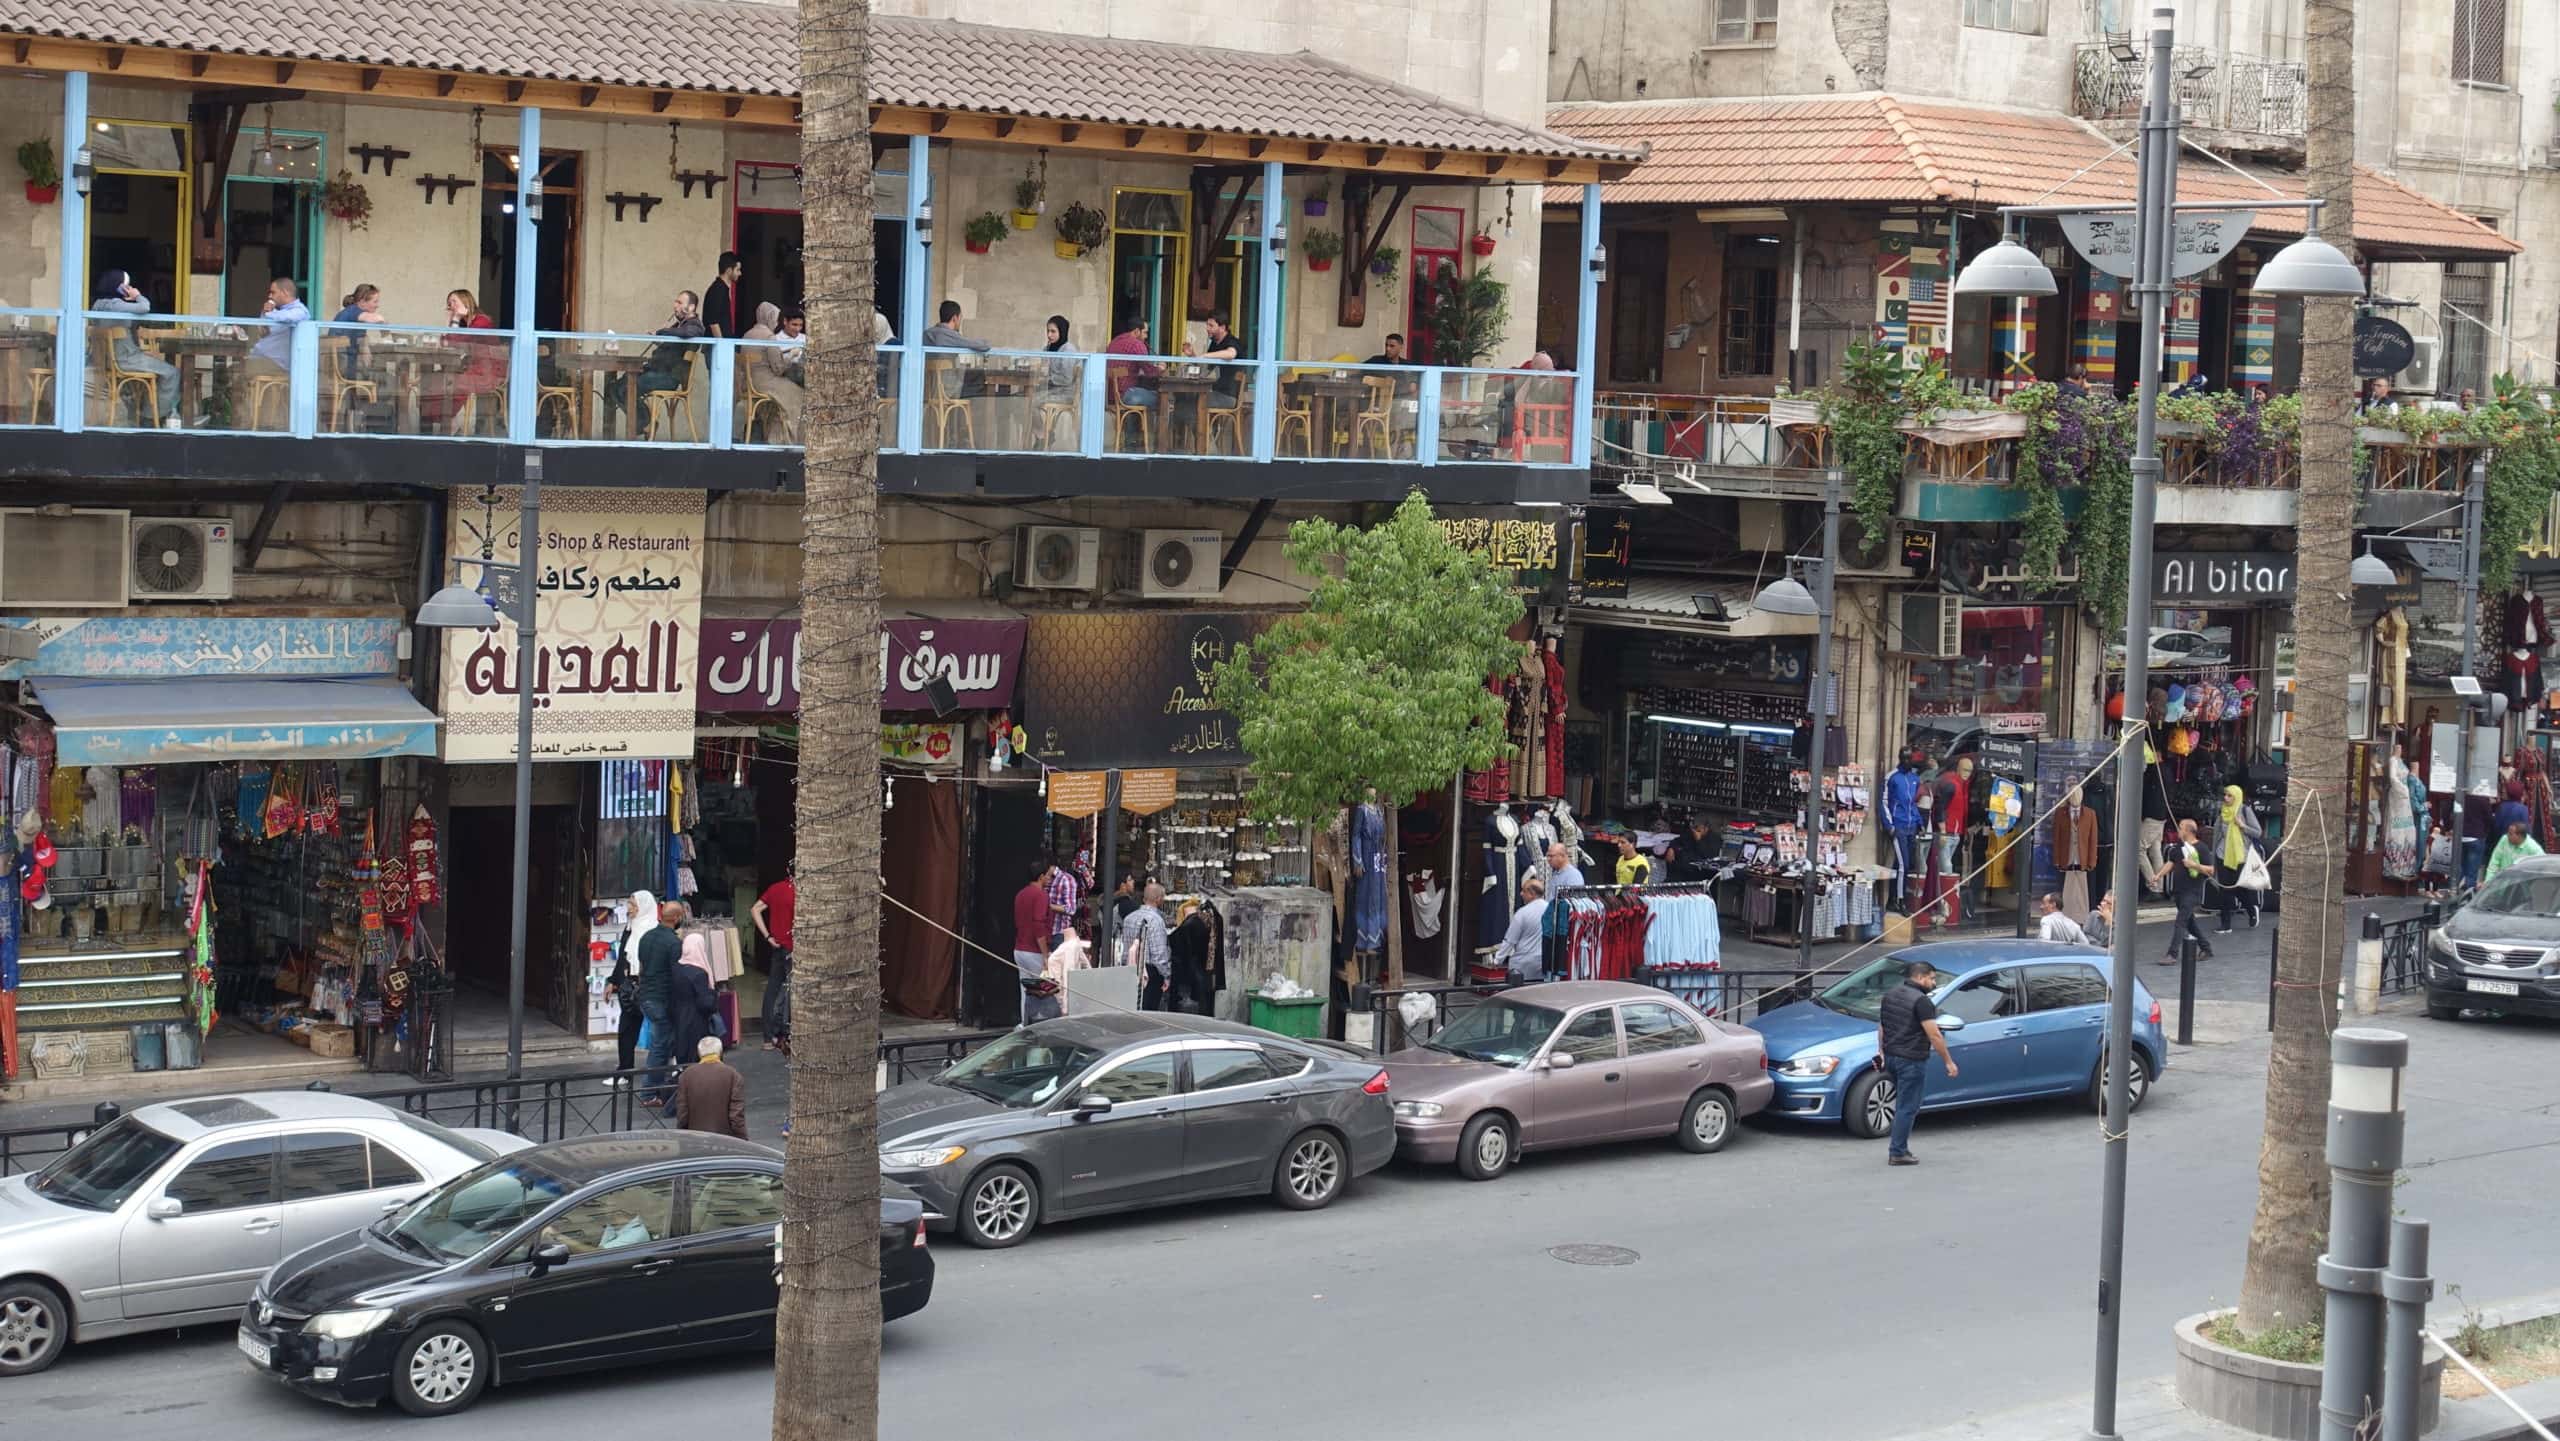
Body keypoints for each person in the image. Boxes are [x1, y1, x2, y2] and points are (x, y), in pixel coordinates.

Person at [1875, 959, 1957, 1166]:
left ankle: (1898, 1148)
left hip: (1892, 1056)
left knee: (1902, 1103)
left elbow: (1882, 1026)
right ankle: (1898, 1152)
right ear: (1920, 977)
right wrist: (1948, 1061)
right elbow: (1934, 1035)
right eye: (1931, 978)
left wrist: (1881, 1051)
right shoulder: (1922, 1002)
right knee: (1907, 1106)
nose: (1933, 982)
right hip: (1911, 1059)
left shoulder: (1891, 994)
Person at [92, 269, 180, 426]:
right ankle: (152, 418)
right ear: (120, 287)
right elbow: (145, 307)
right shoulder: (116, 305)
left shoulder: (97, 305)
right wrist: (136, 295)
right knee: (172, 372)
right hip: (126, 360)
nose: (129, 287)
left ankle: (143, 414)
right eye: (126, 285)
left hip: (106, 360)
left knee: (154, 375)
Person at [429, 289, 505, 432]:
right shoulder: (465, 323)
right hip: (472, 368)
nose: (451, 306)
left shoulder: (482, 322)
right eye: (449, 303)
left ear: (466, 302)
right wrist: (449, 322)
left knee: (453, 382)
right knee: (435, 378)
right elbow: (446, 342)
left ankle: (449, 424)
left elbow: (454, 342)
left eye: (454, 302)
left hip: (489, 371)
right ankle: (448, 423)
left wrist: (455, 319)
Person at [630, 290, 706, 430]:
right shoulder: (678, 325)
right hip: (658, 372)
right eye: (675, 302)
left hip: (669, 378)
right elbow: (672, 346)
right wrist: (659, 340)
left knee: (629, 385)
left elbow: (688, 333)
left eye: (679, 302)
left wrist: (662, 331)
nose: (675, 306)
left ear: (691, 308)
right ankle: (646, 422)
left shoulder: (694, 325)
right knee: (618, 386)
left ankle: (645, 422)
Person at [607, 888, 658, 1081]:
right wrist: (614, 981)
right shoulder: (630, 927)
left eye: (632, 905)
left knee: (658, 1030)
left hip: (649, 986)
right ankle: (625, 1071)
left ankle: (664, 1070)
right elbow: (624, 957)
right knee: (627, 1029)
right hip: (630, 986)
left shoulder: (653, 930)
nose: (629, 908)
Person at [637, 899, 683, 1104]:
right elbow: (676, 975)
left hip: (645, 996)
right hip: (660, 999)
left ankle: (661, 1086)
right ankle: (649, 1093)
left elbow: (641, 967)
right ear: (677, 918)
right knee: (660, 1046)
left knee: (661, 1043)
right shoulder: (673, 943)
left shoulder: (646, 937)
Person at [740, 300, 805, 440]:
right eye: (775, 319)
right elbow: (778, 368)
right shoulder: (769, 336)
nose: (776, 323)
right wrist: (792, 354)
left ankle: (774, 436)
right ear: (769, 317)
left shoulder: (748, 334)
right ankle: (791, 439)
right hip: (766, 383)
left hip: (748, 382)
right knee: (799, 393)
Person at [1012, 859, 1065, 1023]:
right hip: (1034, 950)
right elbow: (1038, 925)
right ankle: (1041, 1024)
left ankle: (1025, 1023)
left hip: (1019, 949)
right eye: (1048, 876)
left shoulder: (1020, 894)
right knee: (1046, 991)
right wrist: (1045, 955)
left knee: (1025, 991)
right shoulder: (1041, 896)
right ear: (1041, 877)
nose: (1050, 879)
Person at [2156, 818, 2214, 964]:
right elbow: (2170, 863)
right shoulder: (2178, 847)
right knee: (2189, 923)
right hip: (2179, 891)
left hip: (2192, 891)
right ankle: (2206, 948)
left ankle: (2172, 954)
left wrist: (2194, 865)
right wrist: (2158, 875)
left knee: (2180, 922)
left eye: (2181, 828)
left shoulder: (2201, 848)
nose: (2178, 830)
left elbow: (2211, 870)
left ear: (2188, 831)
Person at [749, 868, 795, 1051]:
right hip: (794, 947)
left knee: (772, 991)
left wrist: (768, 936)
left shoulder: (776, 888)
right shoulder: (804, 893)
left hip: (777, 946)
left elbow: (755, 909)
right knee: (793, 992)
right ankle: (785, 1033)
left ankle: (768, 1038)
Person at [2209, 784, 2265, 932]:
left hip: (2241, 856)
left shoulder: (2245, 811)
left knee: (2238, 888)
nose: (2226, 798)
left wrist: (2242, 826)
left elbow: (2258, 832)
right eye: (2225, 795)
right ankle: (2225, 924)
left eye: (2229, 796)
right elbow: (2217, 836)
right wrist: (2213, 858)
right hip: (2223, 854)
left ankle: (2251, 910)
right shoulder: (2223, 813)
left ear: (2236, 797)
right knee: (2224, 889)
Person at [670, 929, 723, 1079]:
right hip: (695, 1019)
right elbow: (705, 1003)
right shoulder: (699, 973)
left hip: (679, 1016)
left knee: (683, 1051)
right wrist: (713, 996)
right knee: (696, 1053)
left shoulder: (676, 968)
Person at [674, 1035, 749, 1139]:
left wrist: (683, 1137)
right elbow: (736, 1116)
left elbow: (682, 1115)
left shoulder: (686, 1076)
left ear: (699, 1053)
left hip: (696, 1140)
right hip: (726, 1140)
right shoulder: (732, 1075)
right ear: (720, 1052)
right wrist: (743, 1139)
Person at [1127, 880, 1174, 1010]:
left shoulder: (1129, 918)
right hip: (1151, 973)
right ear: (1159, 899)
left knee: (1132, 1009)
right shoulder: (1156, 921)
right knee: (1148, 1012)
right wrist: (1166, 976)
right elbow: (1159, 955)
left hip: (1130, 969)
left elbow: (1126, 949)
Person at [1492, 875, 1549, 982]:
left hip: (1522, 964)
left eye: (1524, 891)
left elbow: (1510, 941)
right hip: (1543, 963)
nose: (1521, 894)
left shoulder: (1522, 913)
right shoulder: (1551, 909)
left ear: (1532, 894)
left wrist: (1497, 961)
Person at [1187, 311, 1243, 415]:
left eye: (1211, 325)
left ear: (1222, 327)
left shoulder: (1232, 341)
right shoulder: (1214, 343)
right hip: (1216, 392)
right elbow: (1206, 370)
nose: (1207, 328)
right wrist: (1193, 356)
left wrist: (1205, 355)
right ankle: (1190, 430)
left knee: (1192, 402)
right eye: (1207, 325)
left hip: (1228, 396)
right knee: (1186, 398)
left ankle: (1202, 431)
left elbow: (1231, 354)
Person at [1168, 899, 1217, 1013]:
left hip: (1190, 977)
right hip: (1205, 975)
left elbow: (1175, 947)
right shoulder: (1206, 924)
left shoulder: (1186, 927)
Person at [331, 283, 384, 382]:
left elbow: (361, 337)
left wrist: (365, 347)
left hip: (345, 363)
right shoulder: (353, 311)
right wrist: (383, 322)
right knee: (381, 377)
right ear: (362, 302)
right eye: (375, 301)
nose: (377, 305)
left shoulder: (356, 315)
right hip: (343, 365)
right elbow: (375, 318)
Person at [1108, 314, 1161, 411]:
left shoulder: (1115, 341)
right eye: (1145, 333)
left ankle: (1133, 425)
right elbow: (1149, 371)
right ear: (1137, 331)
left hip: (1110, 395)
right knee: (1162, 398)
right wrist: (1160, 369)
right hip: (1126, 395)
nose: (1146, 336)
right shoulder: (1137, 344)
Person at [2485, 818, 2543, 888]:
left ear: (2519, 836)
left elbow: (2542, 866)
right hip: (2501, 884)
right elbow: (2494, 862)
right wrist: (2487, 882)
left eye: (2510, 834)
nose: (2507, 835)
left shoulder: (2533, 848)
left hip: (2521, 887)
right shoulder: (2504, 839)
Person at [1043, 853, 1081, 950]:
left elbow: (1071, 909)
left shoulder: (1066, 879)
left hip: (1059, 933)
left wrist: (1049, 906)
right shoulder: (1043, 878)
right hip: (1043, 932)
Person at [922, 299, 990, 353]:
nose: (960, 322)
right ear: (954, 318)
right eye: (960, 318)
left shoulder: (926, 333)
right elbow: (983, 346)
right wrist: (986, 342)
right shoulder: (949, 335)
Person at [702, 250, 743, 338]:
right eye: (738, 270)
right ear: (728, 270)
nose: (740, 273)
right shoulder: (718, 290)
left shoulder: (721, 289)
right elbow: (713, 322)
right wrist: (721, 345)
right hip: (716, 347)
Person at [1666, 817, 1719, 883]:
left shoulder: (1714, 839)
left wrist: (1699, 841)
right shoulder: (1690, 833)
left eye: (1699, 829)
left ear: (1706, 828)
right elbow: (1678, 840)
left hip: (1699, 873)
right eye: (1694, 828)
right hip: (1682, 869)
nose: (1695, 831)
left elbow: (1710, 856)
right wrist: (1671, 848)